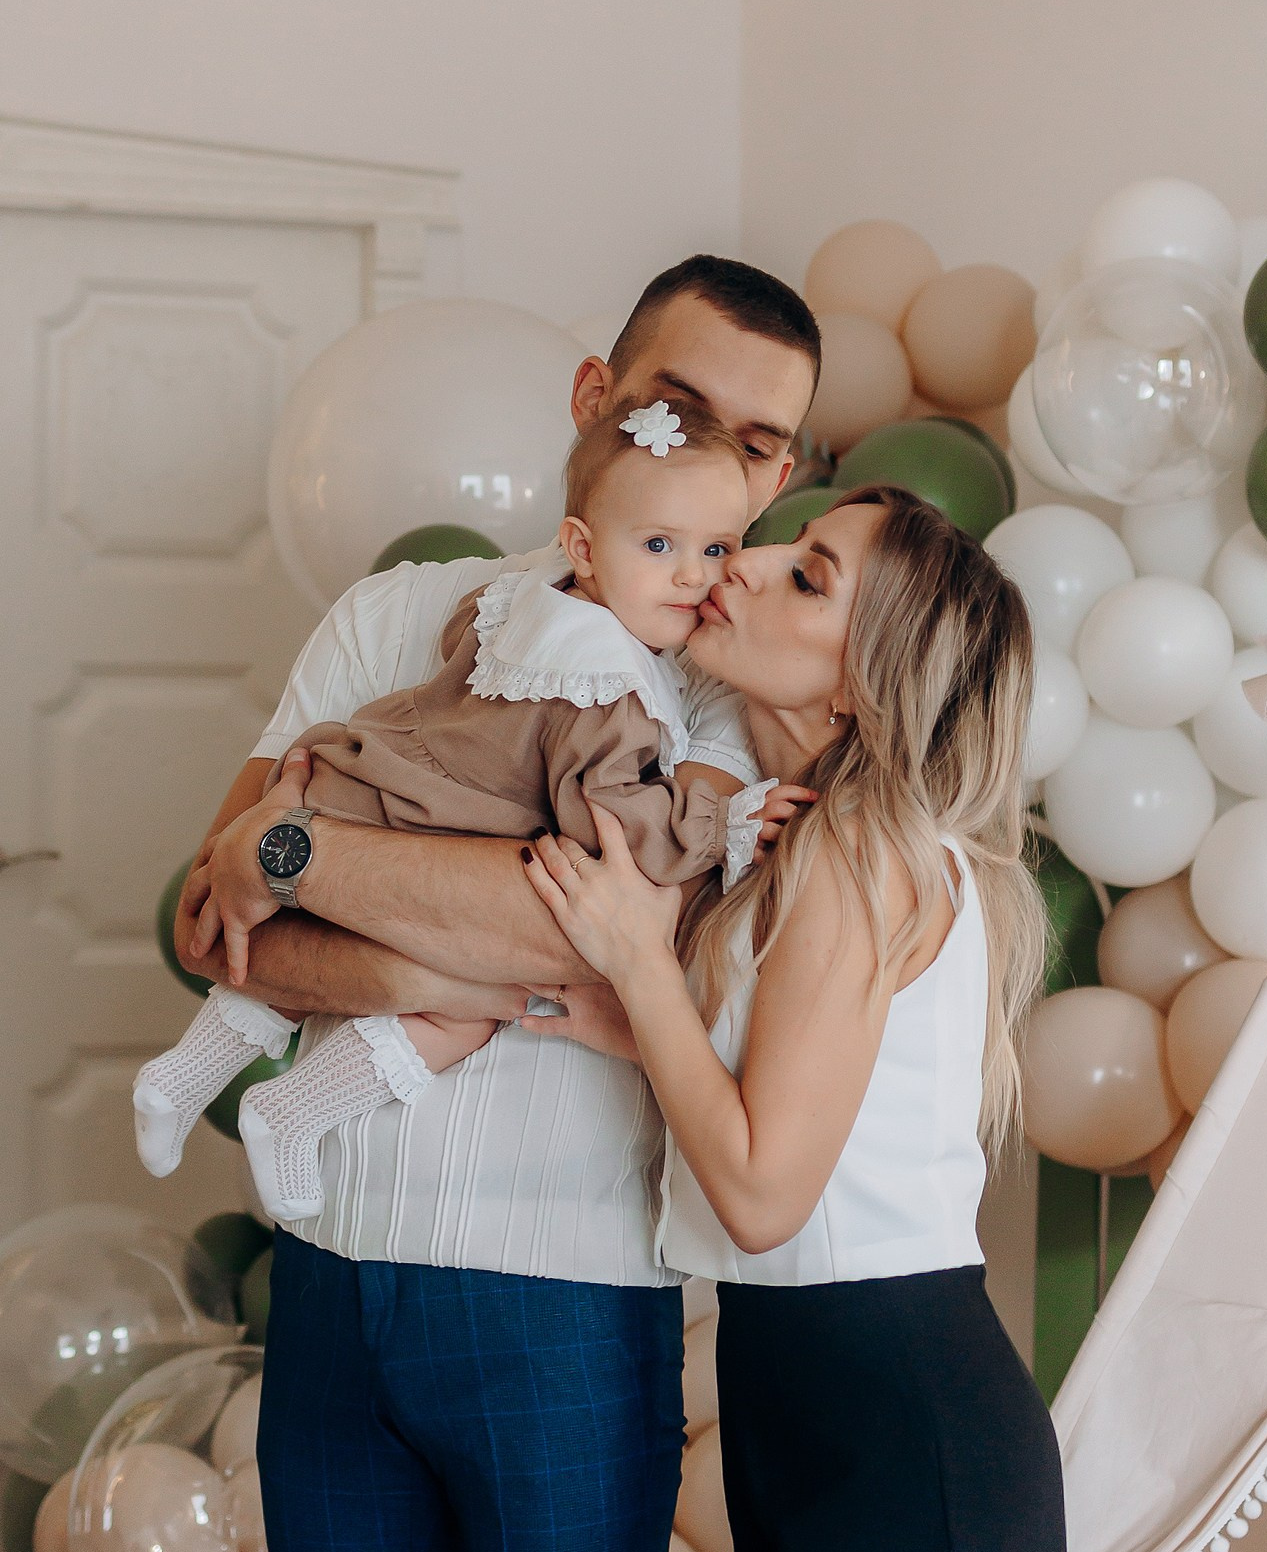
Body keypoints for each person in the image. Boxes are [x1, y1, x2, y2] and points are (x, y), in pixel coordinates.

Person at [179, 255, 821, 1552]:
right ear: (597, 398)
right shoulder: (396, 614)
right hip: (330, 1281)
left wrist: (302, 853)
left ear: (783, 473)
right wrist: (478, 956)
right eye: (678, 407)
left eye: (759, 442)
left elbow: (611, 923)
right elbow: (217, 923)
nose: (717, 459)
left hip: (564, 1305)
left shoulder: (732, 688)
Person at [519, 487, 1082, 1552]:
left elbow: (767, 1192)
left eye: (810, 575)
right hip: (842, 1424)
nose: (750, 561)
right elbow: (793, 1109)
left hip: (898, 1438)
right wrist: (637, 1014)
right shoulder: (824, 842)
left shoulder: (864, 850)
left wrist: (638, 963)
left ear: (865, 677)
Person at [135, 396, 794, 1224]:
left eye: (716, 549)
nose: (693, 576)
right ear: (583, 546)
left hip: (355, 783)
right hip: (419, 822)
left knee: (304, 946)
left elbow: (458, 646)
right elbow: (615, 839)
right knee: (470, 1008)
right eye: (660, 546)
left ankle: (182, 1077)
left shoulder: (521, 604)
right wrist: (722, 825)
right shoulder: (610, 690)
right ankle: (294, 1111)